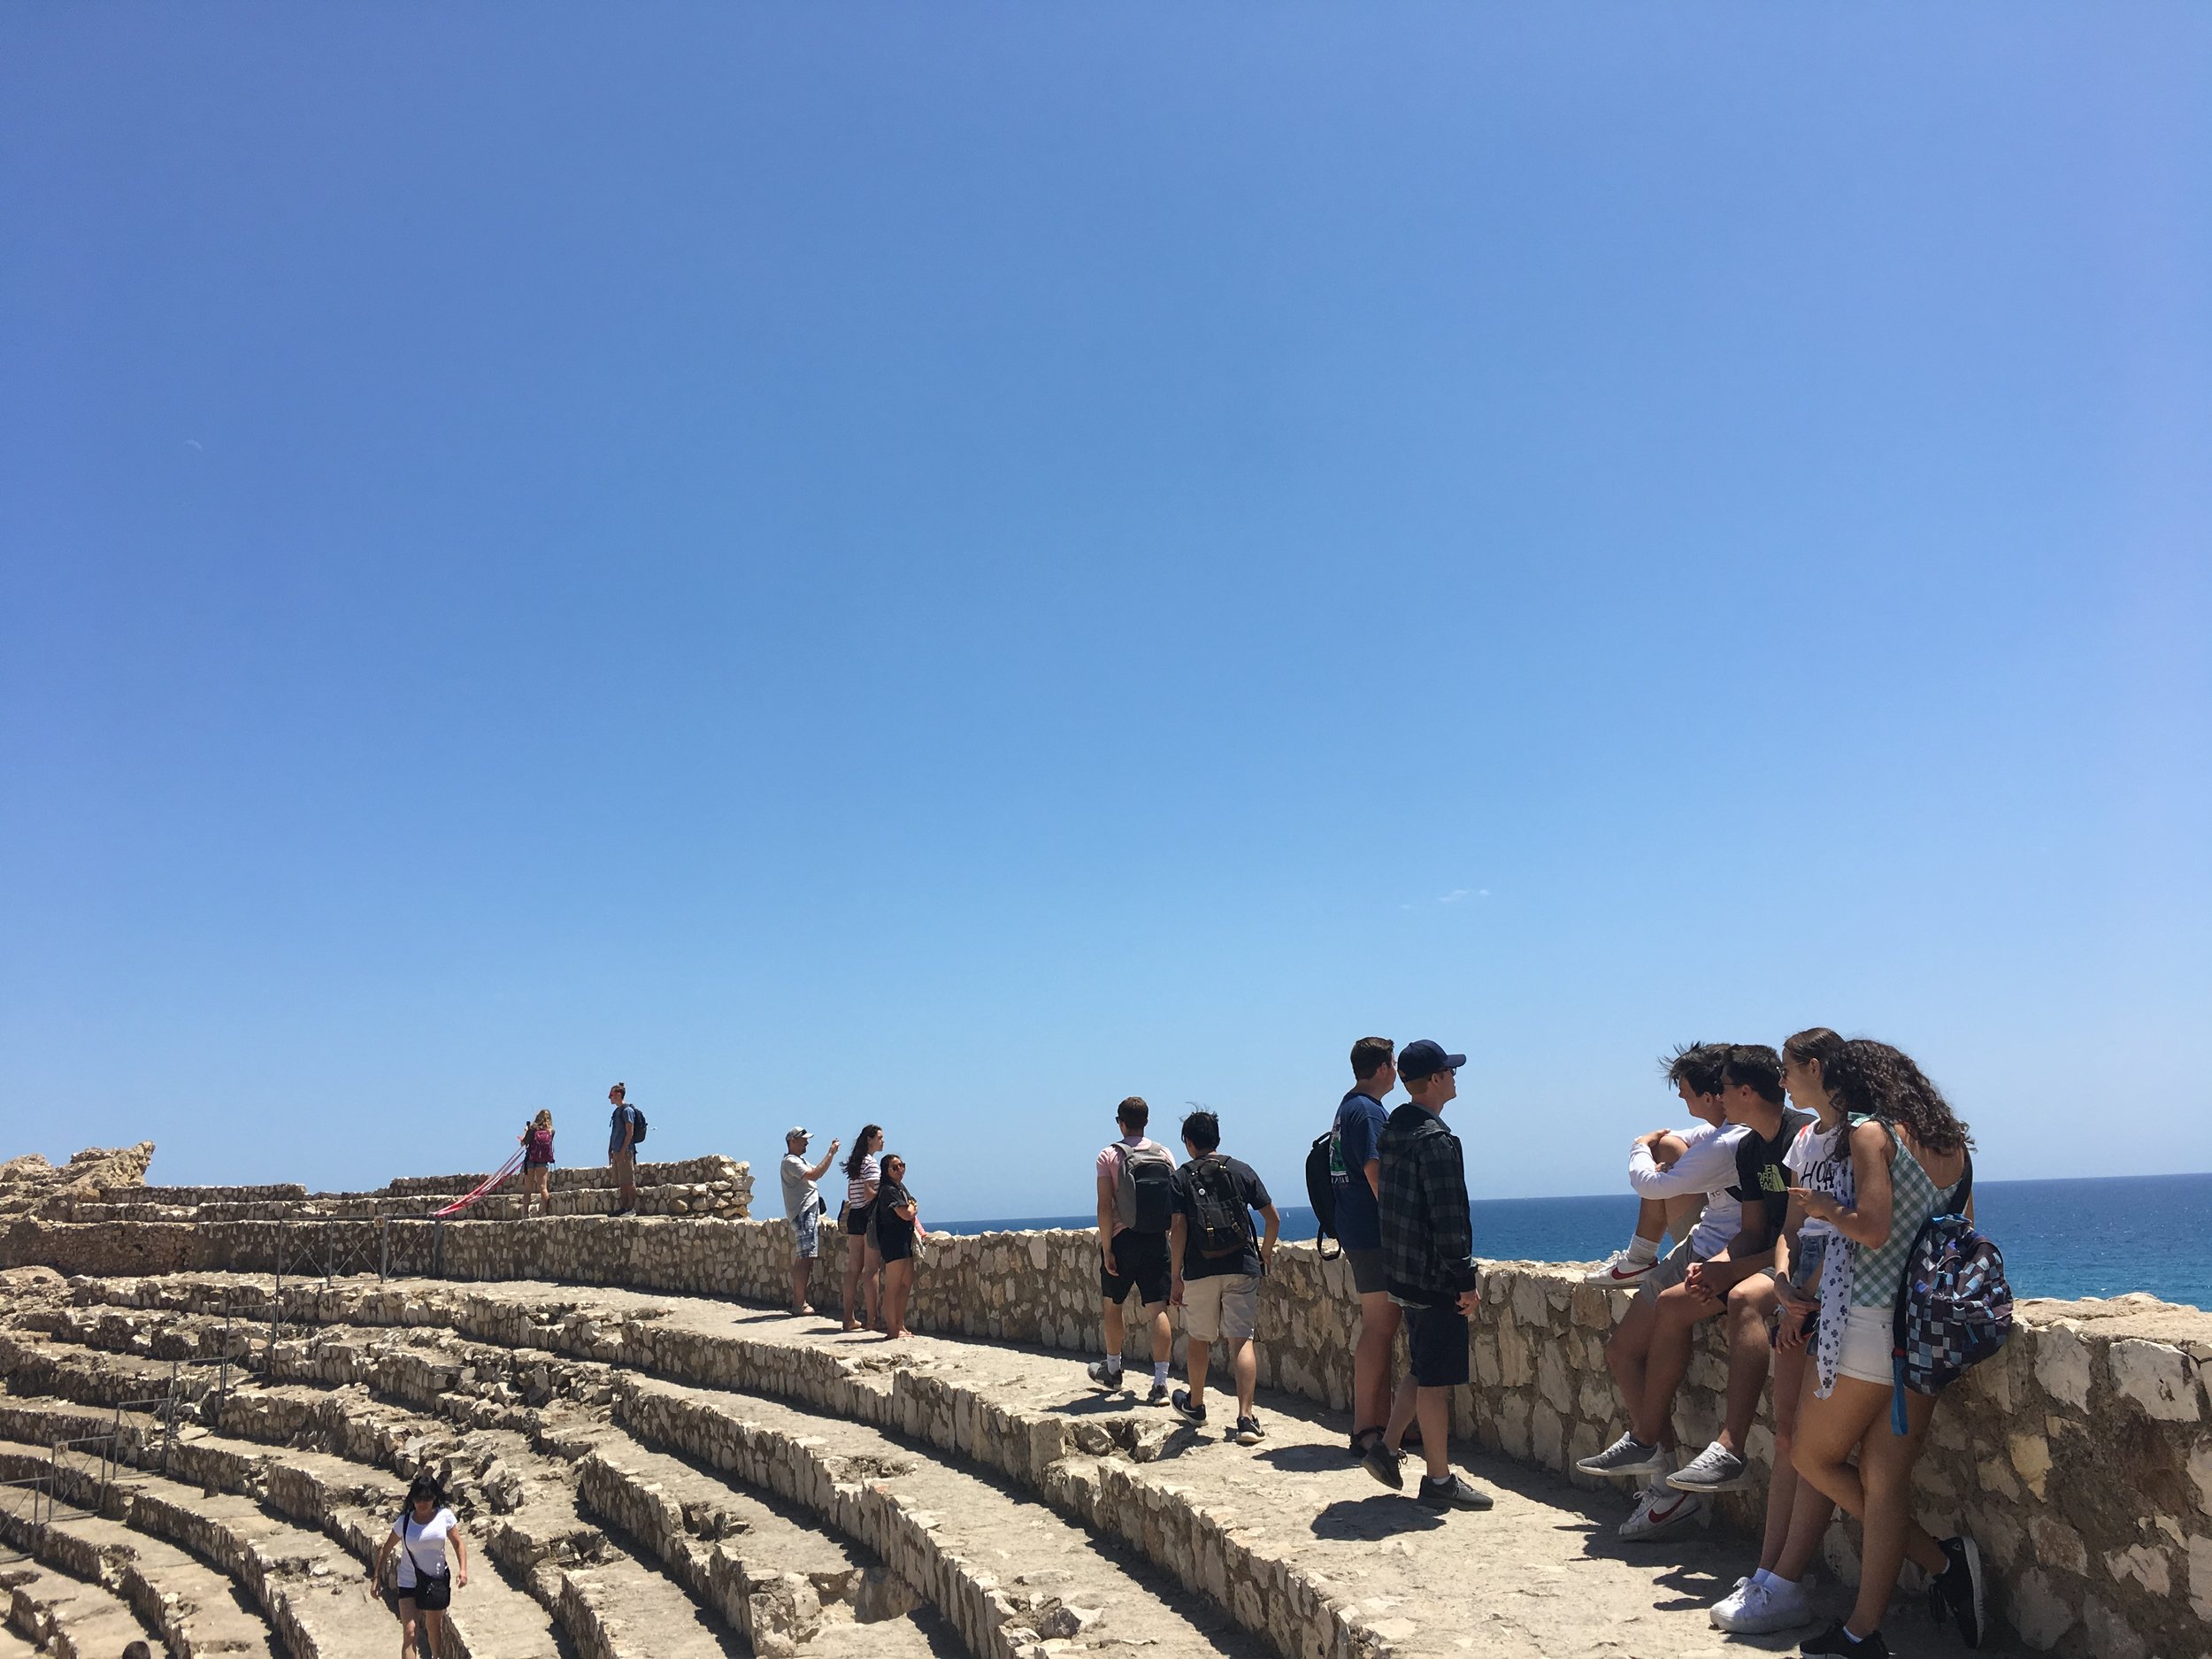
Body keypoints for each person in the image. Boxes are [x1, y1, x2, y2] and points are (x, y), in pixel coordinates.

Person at [1777, 1041, 1987, 1656]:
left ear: (1858, 1084)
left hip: (1870, 1324)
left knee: (1810, 1455)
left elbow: (1869, 1227)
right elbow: (1966, 1236)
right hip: (1929, 1330)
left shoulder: (1872, 1134)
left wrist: (1821, 1206)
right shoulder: (1955, 1148)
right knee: (1886, 1478)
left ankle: (1939, 1562)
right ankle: (1864, 1630)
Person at [1580, 1046, 1808, 1524]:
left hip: (1802, 1262)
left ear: (1745, 1092)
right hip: (1757, 1255)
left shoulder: (1800, 1139)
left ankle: (1729, 1449)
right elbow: (1751, 1228)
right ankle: (1647, 1442)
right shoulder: (1749, 1147)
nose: (1719, 1099)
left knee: (1744, 1298)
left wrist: (1731, 1271)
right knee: (1672, 1304)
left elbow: (1803, 1235)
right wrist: (1719, 1265)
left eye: (1724, 1089)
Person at [1709, 1026, 1851, 1636]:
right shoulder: (1801, 1143)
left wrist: (1802, 1301)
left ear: (1815, 1068)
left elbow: (1856, 1228)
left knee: (1815, 1446)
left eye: (1790, 1070)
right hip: (1803, 1296)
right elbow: (1791, 1227)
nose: (1783, 1080)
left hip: (1836, 1305)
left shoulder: (1854, 1138)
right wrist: (1789, 1289)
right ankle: (1769, 1573)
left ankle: (1788, 1579)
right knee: (1790, 1433)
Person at [1573, 1041, 1745, 1537]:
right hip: (1696, 1248)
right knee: (1624, 1351)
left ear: (1717, 1094)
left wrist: (1636, 1142)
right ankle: (1664, 1477)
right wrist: (1658, 1140)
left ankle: (1662, 1477)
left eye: (1689, 1093)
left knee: (1625, 1352)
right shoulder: (1723, 1132)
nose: (1685, 1105)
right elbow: (1678, 1137)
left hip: (1710, 1260)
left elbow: (1648, 1184)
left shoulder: (1728, 1143)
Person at [1361, 1039, 1492, 1510]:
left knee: (1423, 1364)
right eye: (1450, 1072)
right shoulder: (1436, 1140)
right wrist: (1464, 1278)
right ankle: (1438, 1481)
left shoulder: (1394, 1129)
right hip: (1434, 1276)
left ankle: (1387, 1449)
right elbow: (1448, 1216)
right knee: (1435, 1379)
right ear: (1435, 1080)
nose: (1456, 1078)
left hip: (1402, 1272)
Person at [1167, 1109, 1279, 1445]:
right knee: (1241, 1340)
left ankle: (1196, 1404)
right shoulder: (1241, 1170)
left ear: (1189, 1143)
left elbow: (1178, 1227)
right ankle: (1246, 1418)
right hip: (1242, 1265)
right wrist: (1266, 1253)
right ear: (1217, 1138)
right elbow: (1272, 1219)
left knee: (1199, 1338)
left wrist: (1176, 1276)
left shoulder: (1181, 1176)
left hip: (1199, 1270)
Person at [1329, 1036, 1400, 1459]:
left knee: (1383, 1329)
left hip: (1355, 1230)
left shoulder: (1347, 1107)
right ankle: (1364, 1429)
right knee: (1378, 1328)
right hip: (1373, 1235)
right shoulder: (1368, 1113)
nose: (1396, 1071)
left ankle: (1384, 1424)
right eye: (1392, 1063)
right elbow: (1378, 1181)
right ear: (1381, 1068)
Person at [1087, 1096, 1178, 1404]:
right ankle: (1161, 1384)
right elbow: (1174, 1202)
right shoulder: (1164, 1153)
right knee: (1158, 1310)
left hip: (1122, 1239)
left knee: (1113, 1306)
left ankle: (1113, 1370)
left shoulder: (1108, 1155)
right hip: (1156, 1239)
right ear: (1147, 1121)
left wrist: (1107, 1247)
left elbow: (1104, 1205)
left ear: (1120, 1122)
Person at [371, 1473, 468, 1659]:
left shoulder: (444, 1516)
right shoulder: (404, 1522)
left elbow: (458, 1543)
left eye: (428, 1498)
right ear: (412, 1499)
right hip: (409, 1581)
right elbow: (386, 1548)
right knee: (410, 1632)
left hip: (435, 1581)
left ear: (434, 1498)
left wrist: (463, 1569)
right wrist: (376, 1578)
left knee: (433, 1628)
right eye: (419, 1498)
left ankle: (436, 1656)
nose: (423, 1503)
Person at [781, 1126, 841, 1316]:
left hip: (807, 1212)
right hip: (803, 1213)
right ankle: (799, 1304)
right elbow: (815, 1174)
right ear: (793, 1141)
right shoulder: (790, 1161)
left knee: (805, 1256)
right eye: (803, 1139)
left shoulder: (799, 1160)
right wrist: (830, 1153)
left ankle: (800, 1302)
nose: (807, 1142)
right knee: (805, 1258)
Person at [840, 1125, 885, 1333]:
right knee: (871, 1270)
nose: (883, 1141)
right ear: (870, 1140)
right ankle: (872, 1319)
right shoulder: (872, 1164)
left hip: (855, 1216)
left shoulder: (855, 1164)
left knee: (853, 1269)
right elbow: (869, 1193)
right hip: (868, 1217)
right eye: (880, 1138)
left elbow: (852, 1194)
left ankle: (848, 1318)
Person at [872, 1152, 922, 1339]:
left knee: (905, 1283)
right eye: (895, 1167)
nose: (900, 1169)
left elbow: (911, 1205)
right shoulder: (888, 1190)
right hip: (892, 1241)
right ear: (886, 1171)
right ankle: (892, 1329)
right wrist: (911, 1207)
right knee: (893, 1286)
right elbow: (906, 1213)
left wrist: (910, 1207)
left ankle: (900, 1324)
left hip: (904, 1240)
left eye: (902, 1165)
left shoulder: (900, 1187)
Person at [607, 1083, 642, 1214]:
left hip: (625, 1151)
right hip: (616, 1151)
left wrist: (622, 1151)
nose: (609, 1098)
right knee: (622, 1181)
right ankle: (623, 1207)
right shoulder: (616, 1112)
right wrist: (610, 1149)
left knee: (628, 1180)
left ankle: (631, 1208)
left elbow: (629, 1132)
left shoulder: (627, 1111)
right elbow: (614, 1132)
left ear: (618, 1095)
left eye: (611, 1095)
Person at [518, 1110, 556, 1219]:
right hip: (543, 1162)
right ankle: (543, 1211)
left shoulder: (532, 1130)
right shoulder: (551, 1132)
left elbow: (523, 1143)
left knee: (528, 1188)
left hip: (530, 1160)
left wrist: (526, 1131)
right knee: (543, 1187)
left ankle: (525, 1213)